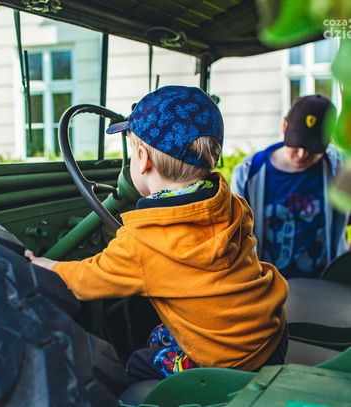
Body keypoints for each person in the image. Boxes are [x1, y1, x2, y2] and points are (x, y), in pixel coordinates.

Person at [26, 85, 288, 383]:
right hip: (270, 337)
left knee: (137, 362)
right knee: (158, 333)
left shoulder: (142, 243)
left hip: (225, 366)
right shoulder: (233, 205)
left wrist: (46, 265)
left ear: (143, 158)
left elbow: (83, 281)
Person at [231, 95, 348, 279]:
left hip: (325, 286)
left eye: (312, 148)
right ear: (284, 127)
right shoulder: (248, 174)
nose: (302, 154)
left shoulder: (339, 169)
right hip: (267, 285)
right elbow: (236, 238)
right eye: (298, 144)